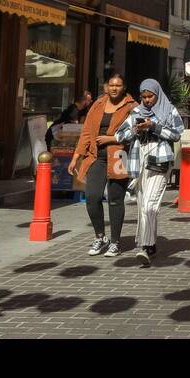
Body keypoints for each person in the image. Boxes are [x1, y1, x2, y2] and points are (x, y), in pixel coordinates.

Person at [115, 79, 184, 266]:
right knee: (142, 205)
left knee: (150, 205)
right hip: (140, 160)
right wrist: (136, 130)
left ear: (157, 94)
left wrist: (154, 127)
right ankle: (150, 244)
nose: (147, 100)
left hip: (160, 160)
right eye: (144, 97)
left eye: (150, 96)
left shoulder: (169, 110)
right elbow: (119, 135)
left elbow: (178, 133)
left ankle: (145, 247)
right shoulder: (136, 111)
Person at [68, 74, 137, 257]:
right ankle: (100, 236)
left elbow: (136, 131)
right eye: (111, 85)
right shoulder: (98, 105)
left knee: (115, 200)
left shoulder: (132, 106)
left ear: (124, 87)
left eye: (118, 85)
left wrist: (112, 138)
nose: (114, 88)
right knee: (92, 197)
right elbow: (86, 133)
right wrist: (76, 157)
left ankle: (115, 241)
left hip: (119, 156)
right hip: (95, 157)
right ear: (106, 87)